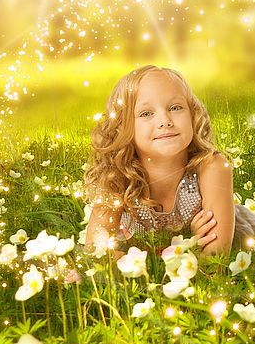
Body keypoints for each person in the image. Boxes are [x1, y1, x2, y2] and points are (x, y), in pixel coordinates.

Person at [84, 64, 241, 257]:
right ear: (123, 127)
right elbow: (95, 252)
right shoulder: (116, 177)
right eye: (146, 113)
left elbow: (216, 259)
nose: (165, 121)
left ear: (193, 115)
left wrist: (134, 261)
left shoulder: (212, 167)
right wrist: (188, 244)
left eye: (175, 108)